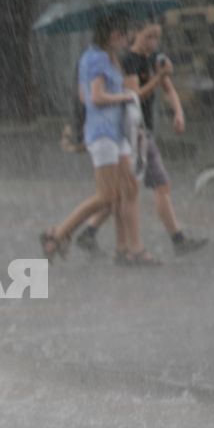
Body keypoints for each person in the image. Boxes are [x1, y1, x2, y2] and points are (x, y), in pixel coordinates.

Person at [74, 21, 207, 255]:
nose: (153, 42)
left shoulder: (153, 58)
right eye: (149, 37)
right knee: (133, 189)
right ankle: (167, 240)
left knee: (124, 190)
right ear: (135, 35)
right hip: (134, 131)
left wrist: (178, 111)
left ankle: (94, 232)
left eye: (157, 37)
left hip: (142, 132)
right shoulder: (128, 62)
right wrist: (157, 79)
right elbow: (135, 95)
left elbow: (168, 86)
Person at [39, 14, 154, 266]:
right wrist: (123, 97)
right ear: (114, 35)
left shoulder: (110, 58)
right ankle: (58, 233)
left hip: (118, 131)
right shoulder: (95, 58)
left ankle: (125, 249)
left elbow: (85, 94)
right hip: (102, 133)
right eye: (125, 35)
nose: (128, 40)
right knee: (106, 196)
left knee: (128, 189)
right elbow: (95, 97)